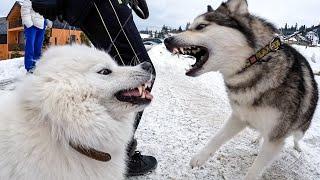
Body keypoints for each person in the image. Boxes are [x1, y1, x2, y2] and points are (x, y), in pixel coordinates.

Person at [30, 0, 157, 176]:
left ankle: (101, 152)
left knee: (122, 76)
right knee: (133, 79)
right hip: (100, 6)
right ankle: (111, 155)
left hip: (102, 7)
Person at [21, 0, 52, 73]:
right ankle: (29, 67)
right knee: (30, 47)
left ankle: (37, 65)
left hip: (41, 25)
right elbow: (25, 10)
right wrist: (29, 24)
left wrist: (49, 21)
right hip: (31, 25)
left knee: (38, 47)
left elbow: (46, 11)